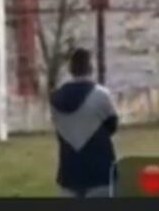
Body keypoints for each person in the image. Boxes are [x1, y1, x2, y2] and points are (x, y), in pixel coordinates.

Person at [50, 48, 119, 198]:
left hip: (68, 171)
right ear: (90, 68)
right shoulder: (101, 95)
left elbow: (59, 130)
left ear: (70, 69)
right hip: (100, 171)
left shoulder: (55, 99)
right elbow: (112, 126)